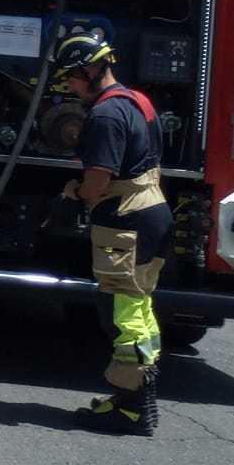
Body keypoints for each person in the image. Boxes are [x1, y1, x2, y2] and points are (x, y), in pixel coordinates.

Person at [54, 30, 169, 435]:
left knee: (120, 313)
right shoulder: (137, 102)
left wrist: (75, 194)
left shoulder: (104, 115)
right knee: (138, 308)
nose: (69, 86)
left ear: (90, 68)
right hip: (152, 212)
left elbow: (99, 181)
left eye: (71, 77)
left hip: (125, 220)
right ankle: (138, 396)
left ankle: (131, 408)